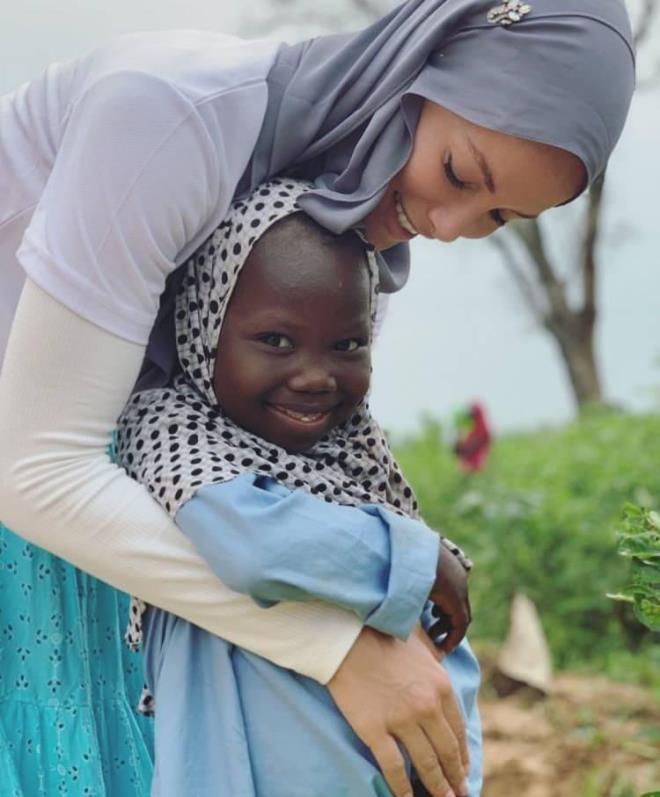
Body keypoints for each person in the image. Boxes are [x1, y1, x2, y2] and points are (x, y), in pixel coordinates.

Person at [0, 1, 635, 794]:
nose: (446, 225)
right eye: (460, 175)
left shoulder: (342, 220)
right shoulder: (165, 116)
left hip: (116, 507)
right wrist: (340, 646)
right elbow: (34, 473)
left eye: (499, 216)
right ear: (419, 66)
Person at [117, 177, 482, 796]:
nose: (314, 376)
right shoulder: (174, 428)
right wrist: (418, 556)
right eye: (275, 341)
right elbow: (257, 545)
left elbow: (437, 656)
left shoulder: (354, 452)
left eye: (347, 345)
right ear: (204, 323)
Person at [454, 403, 491, 472]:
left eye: (472, 415)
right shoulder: (473, 430)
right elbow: (460, 451)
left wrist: (460, 441)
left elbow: (468, 449)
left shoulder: (481, 429)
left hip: (477, 466)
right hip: (471, 466)